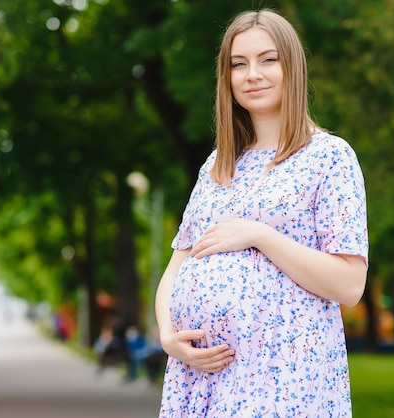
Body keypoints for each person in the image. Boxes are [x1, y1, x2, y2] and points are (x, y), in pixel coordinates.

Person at [155, 9, 368, 417]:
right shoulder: (218, 165)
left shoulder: (329, 157)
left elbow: (350, 284)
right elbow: (177, 265)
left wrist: (260, 235)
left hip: (283, 380)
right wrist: (168, 335)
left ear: (293, 67)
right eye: (239, 64)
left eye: (268, 59)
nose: (252, 74)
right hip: (200, 378)